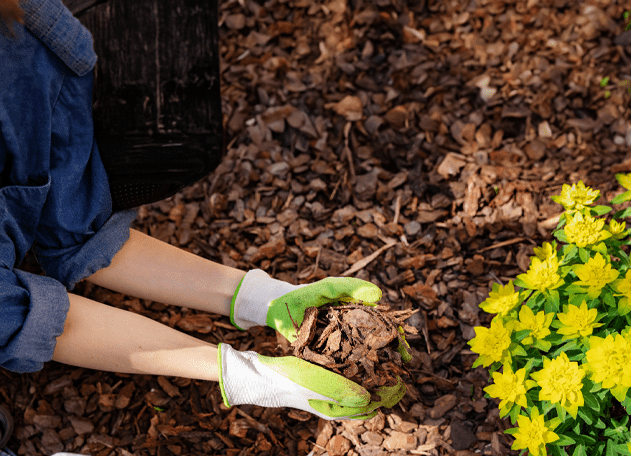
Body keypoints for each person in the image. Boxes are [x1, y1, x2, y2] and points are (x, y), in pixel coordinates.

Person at [0, 0, 405, 421]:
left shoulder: (25, 36)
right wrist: (244, 374)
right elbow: (16, 315)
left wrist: (263, 298)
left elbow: (79, 231)